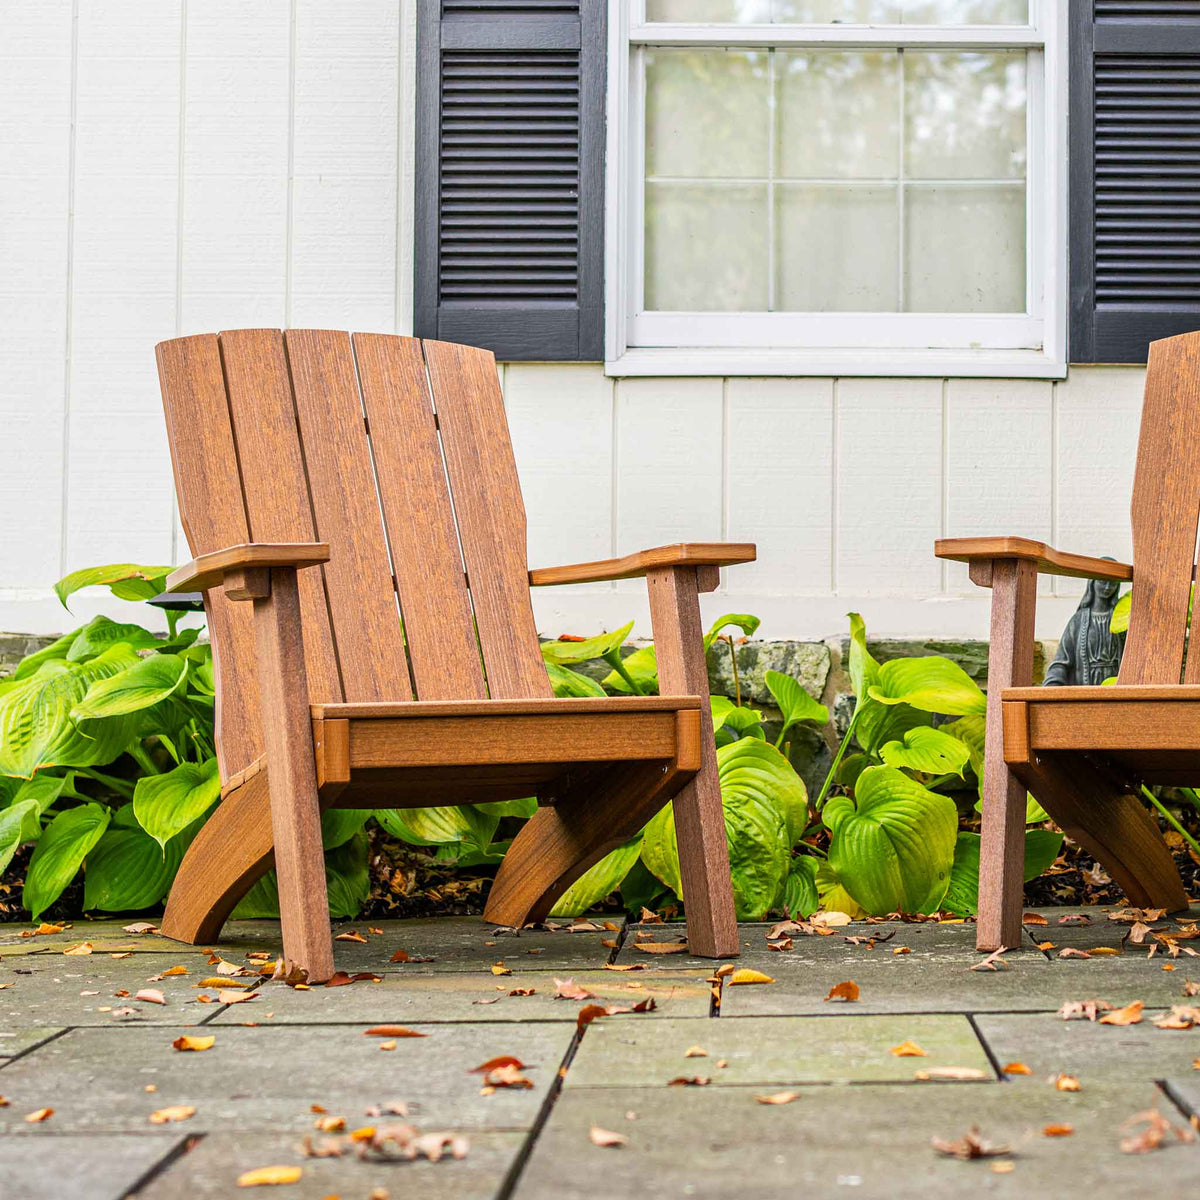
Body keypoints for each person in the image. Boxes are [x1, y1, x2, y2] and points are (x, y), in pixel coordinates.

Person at [1042, 576, 1124, 687]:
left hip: (1115, 687)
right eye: (1102, 582)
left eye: (1113, 583)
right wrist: (1053, 683)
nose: (1107, 587)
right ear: (1092, 583)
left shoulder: (1121, 619)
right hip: (1086, 686)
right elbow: (1062, 661)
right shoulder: (1078, 620)